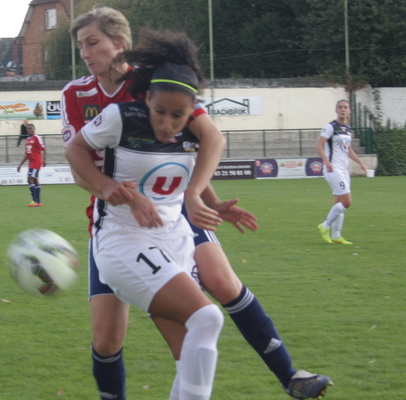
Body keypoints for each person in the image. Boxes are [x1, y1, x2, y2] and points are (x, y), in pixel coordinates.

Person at [62, 7, 332, 400]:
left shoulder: (157, 85)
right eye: (80, 45)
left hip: (175, 211)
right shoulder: (78, 94)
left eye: (93, 43)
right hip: (117, 219)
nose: (85, 53)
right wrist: (109, 189)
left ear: (119, 43)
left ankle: (290, 375)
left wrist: (206, 198)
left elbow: (200, 143)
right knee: (106, 340)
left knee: (220, 287)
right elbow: (77, 163)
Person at [66, 33, 225, 399]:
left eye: (178, 116)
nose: (168, 123)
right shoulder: (119, 118)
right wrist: (107, 188)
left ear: (192, 112)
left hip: (174, 238)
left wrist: (199, 195)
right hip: (122, 240)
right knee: (208, 317)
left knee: (188, 351)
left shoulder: (193, 129)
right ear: (147, 98)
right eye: (160, 112)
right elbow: (74, 148)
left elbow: (214, 142)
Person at [316, 99, 366, 245]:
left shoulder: (348, 129)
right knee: (347, 202)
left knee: (338, 203)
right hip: (333, 169)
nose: (343, 109)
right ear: (336, 110)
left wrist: (360, 162)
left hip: (344, 170)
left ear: (349, 110)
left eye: (345, 107)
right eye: (340, 107)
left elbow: (348, 150)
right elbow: (319, 145)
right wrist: (327, 161)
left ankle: (336, 235)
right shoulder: (331, 127)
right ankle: (324, 226)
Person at [17, 124, 46, 207]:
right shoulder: (28, 139)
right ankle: (38, 202)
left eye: (31, 128)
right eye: (28, 129)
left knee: (30, 180)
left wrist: (44, 160)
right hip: (31, 163)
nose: (29, 130)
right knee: (35, 180)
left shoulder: (37, 137)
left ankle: (34, 201)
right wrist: (20, 165)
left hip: (36, 162)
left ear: (34, 129)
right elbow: (27, 154)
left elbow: (44, 149)